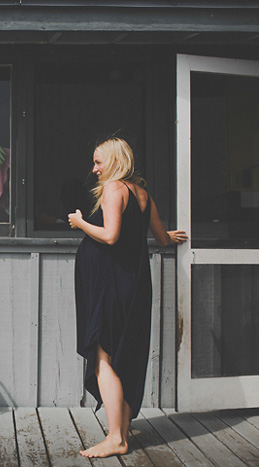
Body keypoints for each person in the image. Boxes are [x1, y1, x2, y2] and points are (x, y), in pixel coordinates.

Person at [68, 138, 187, 458]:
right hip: (132, 284)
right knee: (119, 353)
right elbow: (161, 239)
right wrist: (172, 236)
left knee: (103, 357)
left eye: (98, 163)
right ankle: (119, 428)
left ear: (116, 161)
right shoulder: (143, 194)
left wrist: (80, 222)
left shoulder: (114, 190)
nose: (94, 169)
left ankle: (116, 438)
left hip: (111, 285)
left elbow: (110, 235)